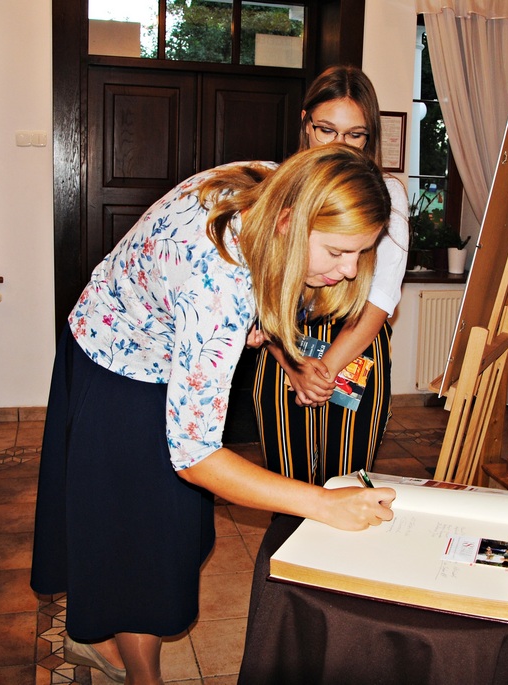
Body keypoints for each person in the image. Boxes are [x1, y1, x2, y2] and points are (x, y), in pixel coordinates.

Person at [31, 145, 398, 685]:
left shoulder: (277, 184)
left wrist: (284, 355)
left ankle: (103, 643)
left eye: (361, 253)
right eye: (339, 252)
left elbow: (263, 293)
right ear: (290, 222)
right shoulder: (219, 280)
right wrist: (323, 504)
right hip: (116, 364)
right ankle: (141, 676)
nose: (349, 271)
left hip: (160, 342)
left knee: (170, 533)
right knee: (142, 543)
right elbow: (196, 455)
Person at [253, 65, 410, 485]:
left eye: (355, 135)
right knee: (287, 485)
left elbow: (381, 298)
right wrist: (294, 367)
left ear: (369, 137)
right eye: (327, 130)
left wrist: (322, 370)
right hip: (284, 346)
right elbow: (259, 292)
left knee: (346, 483)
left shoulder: (388, 195)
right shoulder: (275, 187)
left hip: (356, 346)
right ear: (305, 123)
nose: (339, 145)